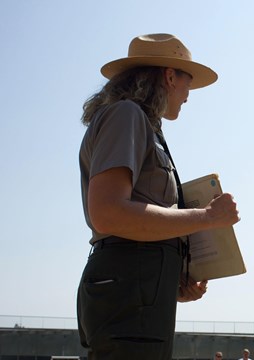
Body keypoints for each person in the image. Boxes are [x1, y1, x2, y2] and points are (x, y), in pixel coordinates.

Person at [76, 33, 240, 359]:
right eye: (187, 81)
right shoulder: (127, 114)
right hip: (129, 291)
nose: (188, 94)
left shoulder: (136, 121)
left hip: (135, 288)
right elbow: (108, 213)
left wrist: (172, 280)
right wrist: (208, 217)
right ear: (168, 75)